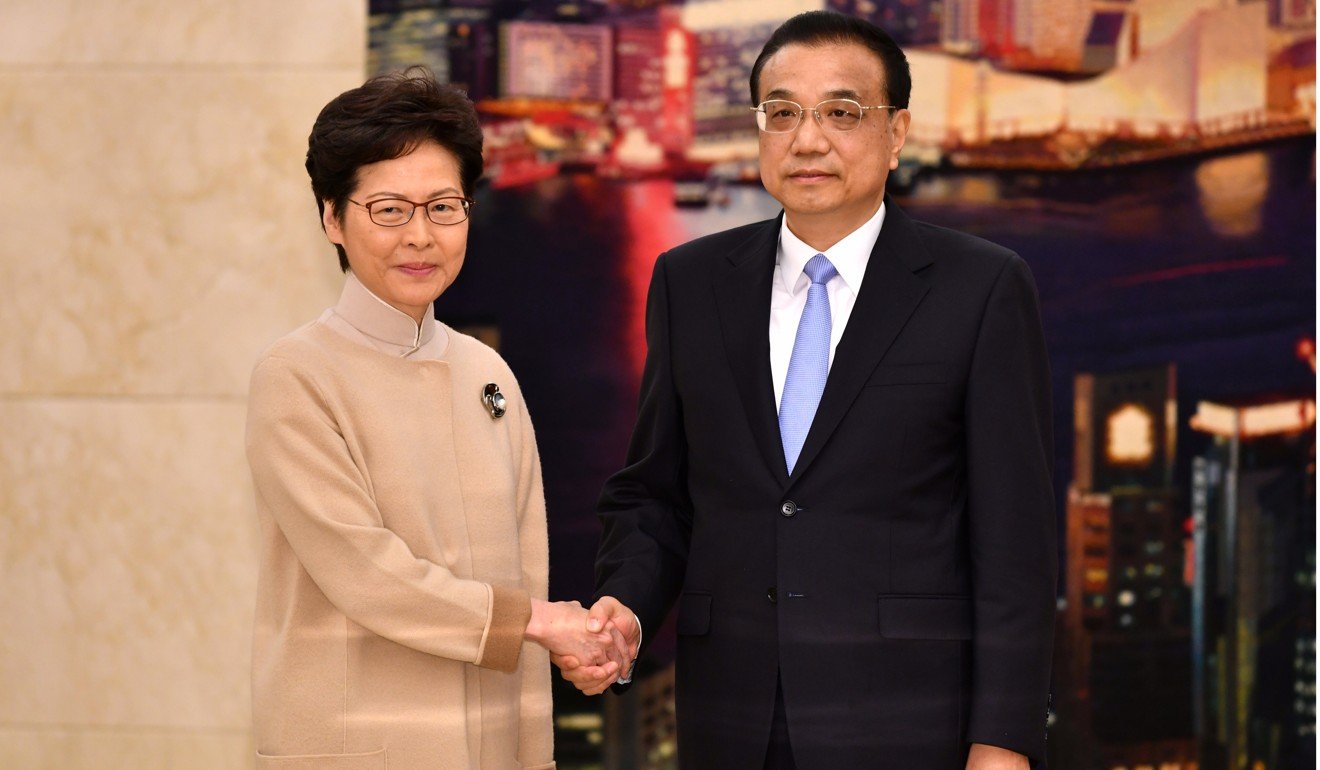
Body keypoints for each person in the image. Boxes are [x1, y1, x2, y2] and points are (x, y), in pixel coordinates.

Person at [555, 11, 1056, 770]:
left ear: (897, 134)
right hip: (730, 717)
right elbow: (655, 496)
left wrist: (1004, 739)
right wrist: (625, 608)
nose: (808, 139)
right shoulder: (689, 283)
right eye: (782, 113)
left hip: (912, 722)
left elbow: (1014, 536)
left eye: (842, 113)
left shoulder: (980, 287)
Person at [244, 68, 627, 770]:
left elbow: (526, 570)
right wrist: (542, 624)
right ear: (332, 217)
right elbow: (369, 576)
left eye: (443, 207)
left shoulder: (489, 375)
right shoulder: (296, 375)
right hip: (354, 746)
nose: (420, 236)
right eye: (390, 209)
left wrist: (534, 748)